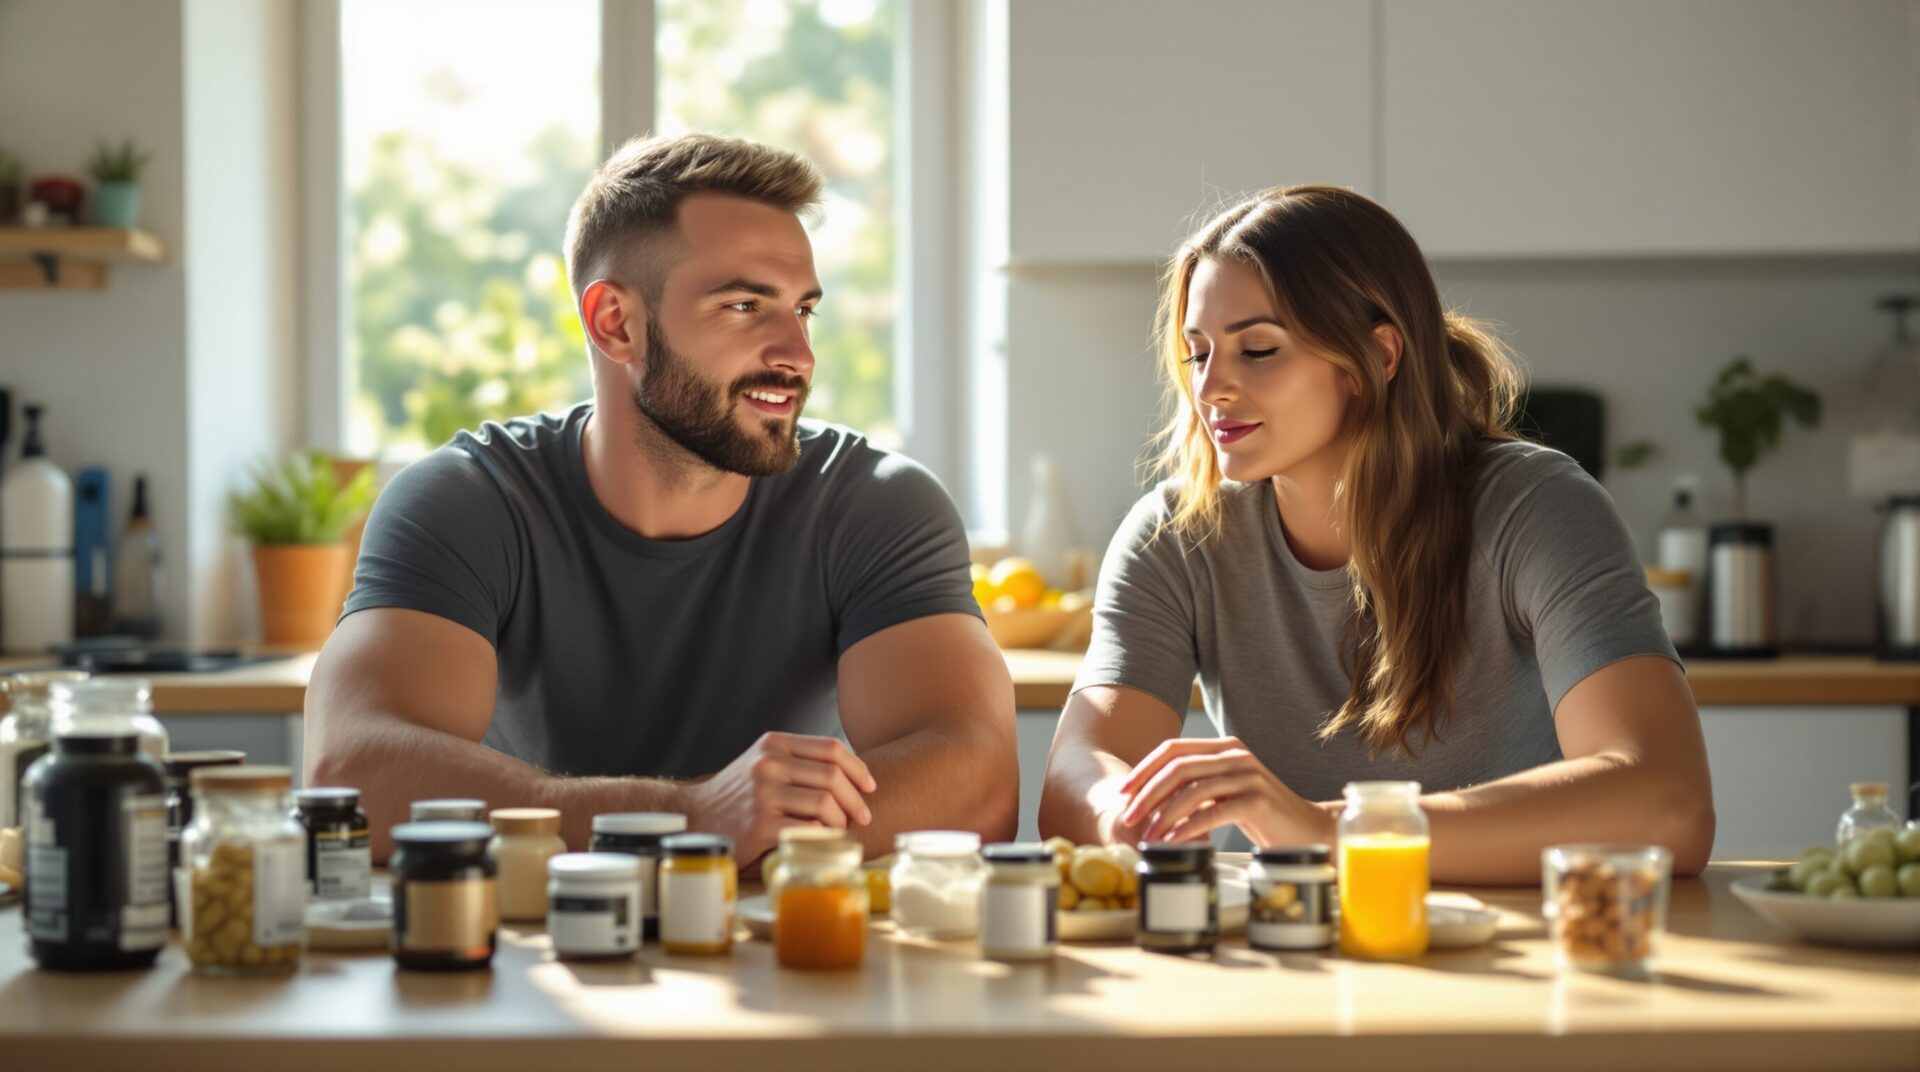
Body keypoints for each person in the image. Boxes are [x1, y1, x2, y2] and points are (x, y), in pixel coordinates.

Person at [307, 133, 1017, 864]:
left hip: (785, 948)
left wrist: (706, 824)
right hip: (528, 951)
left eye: (803, 310)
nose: (798, 355)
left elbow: (977, 781)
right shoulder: (465, 501)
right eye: (744, 306)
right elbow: (353, 770)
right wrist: (691, 816)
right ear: (616, 323)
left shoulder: (875, 504)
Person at [1037, 185, 1714, 883]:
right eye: (1198, 353)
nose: (1211, 388)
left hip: (1518, 952)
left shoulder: (1537, 508)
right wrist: (1124, 814)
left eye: (1259, 350)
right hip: (1289, 957)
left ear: (1378, 356)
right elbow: (1074, 780)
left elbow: (1668, 803)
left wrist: (1329, 830)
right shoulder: (1175, 537)